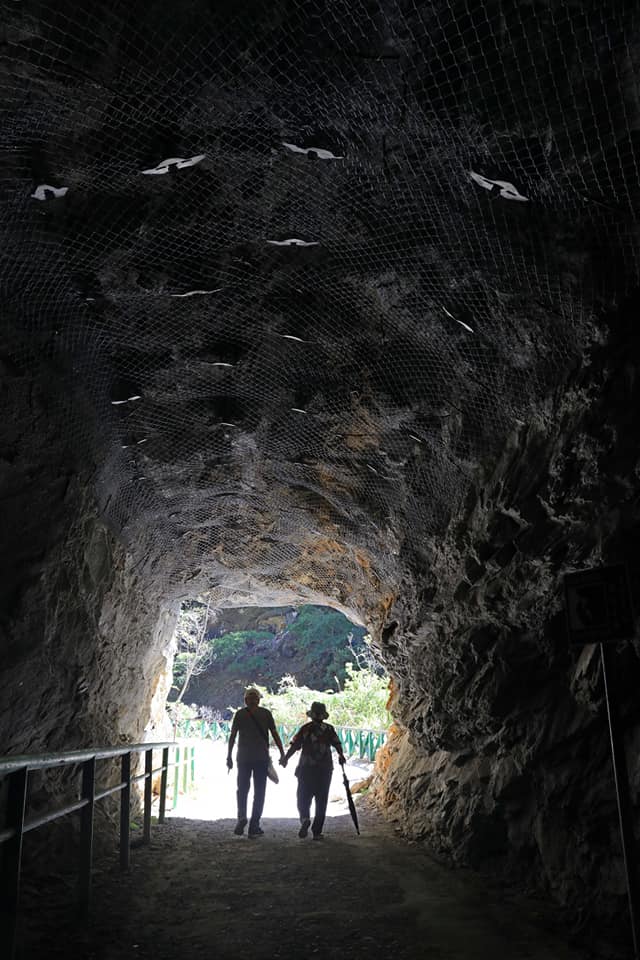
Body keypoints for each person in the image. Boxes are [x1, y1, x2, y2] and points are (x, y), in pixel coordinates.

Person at [281, 701, 346, 840]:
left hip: (306, 767)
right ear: (323, 715)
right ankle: (317, 832)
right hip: (325, 768)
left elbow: (295, 745)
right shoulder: (329, 729)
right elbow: (337, 744)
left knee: (303, 797)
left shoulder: (305, 729)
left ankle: (304, 818)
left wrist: (286, 758)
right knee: (321, 800)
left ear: (311, 715)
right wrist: (341, 755)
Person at [226, 688, 285, 838]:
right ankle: (254, 825)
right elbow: (275, 734)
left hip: (243, 758)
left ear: (245, 700)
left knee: (242, 789)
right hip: (261, 759)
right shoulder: (266, 713)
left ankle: (242, 817)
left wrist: (229, 756)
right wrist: (282, 753)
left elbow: (232, 736)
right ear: (258, 700)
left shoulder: (240, 714)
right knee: (260, 792)